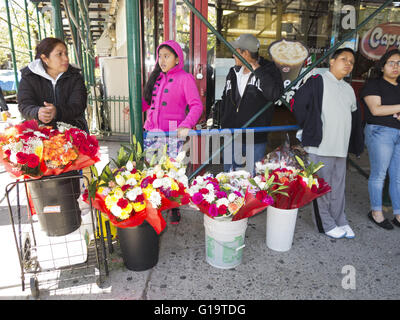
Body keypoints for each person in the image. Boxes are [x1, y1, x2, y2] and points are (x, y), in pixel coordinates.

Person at [291, 47, 361, 239]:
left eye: (351, 62)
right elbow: (297, 104)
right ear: (332, 61)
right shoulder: (317, 82)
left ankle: (340, 219)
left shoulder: (348, 89)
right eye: (343, 59)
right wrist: (309, 127)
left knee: (338, 187)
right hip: (319, 146)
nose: (348, 64)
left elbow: (354, 118)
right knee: (320, 187)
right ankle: (325, 224)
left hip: (341, 147)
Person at [142, 40, 203, 224]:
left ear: (177, 59)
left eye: (166, 56)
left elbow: (196, 106)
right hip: (152, 133)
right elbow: (147, 102)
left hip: (172, 135)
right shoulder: (156, 77)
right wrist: (133, 107)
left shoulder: (185, 78)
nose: (162, 60)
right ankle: (156, 205)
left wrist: (186, 124)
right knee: (153, 172)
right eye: (160, 56)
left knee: (171, 173)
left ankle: (173, 208)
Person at [219, 34, 283, 173]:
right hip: (231, 135)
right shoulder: (233, 71)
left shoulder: (269, 70)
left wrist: (258, 70)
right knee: (228, 178)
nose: (233, 55)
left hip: (255, 138)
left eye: (236, 51)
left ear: (245, 53)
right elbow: (225, 99)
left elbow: (274, 94)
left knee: (253, 182)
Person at [360, 49, 400, 230]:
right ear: (383, 66)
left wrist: (392, 110)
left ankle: (398, 214)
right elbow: (376, 110)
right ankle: (376, 212)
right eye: (391, 62)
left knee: (398, 177)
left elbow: (387, 109)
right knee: (379, 175)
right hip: (380, 132)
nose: (396, 66)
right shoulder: (373, 84)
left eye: (399, 63)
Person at [18, 37, 88, 132]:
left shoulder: (75, 77)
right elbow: (24, 105)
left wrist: (57, 112)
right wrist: (37, 112)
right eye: (59, 54)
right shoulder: (29, 77)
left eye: (66, 54)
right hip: (40, 133)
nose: (66, 58)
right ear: (45, 58)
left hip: (73, 131)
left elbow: (78, 105)